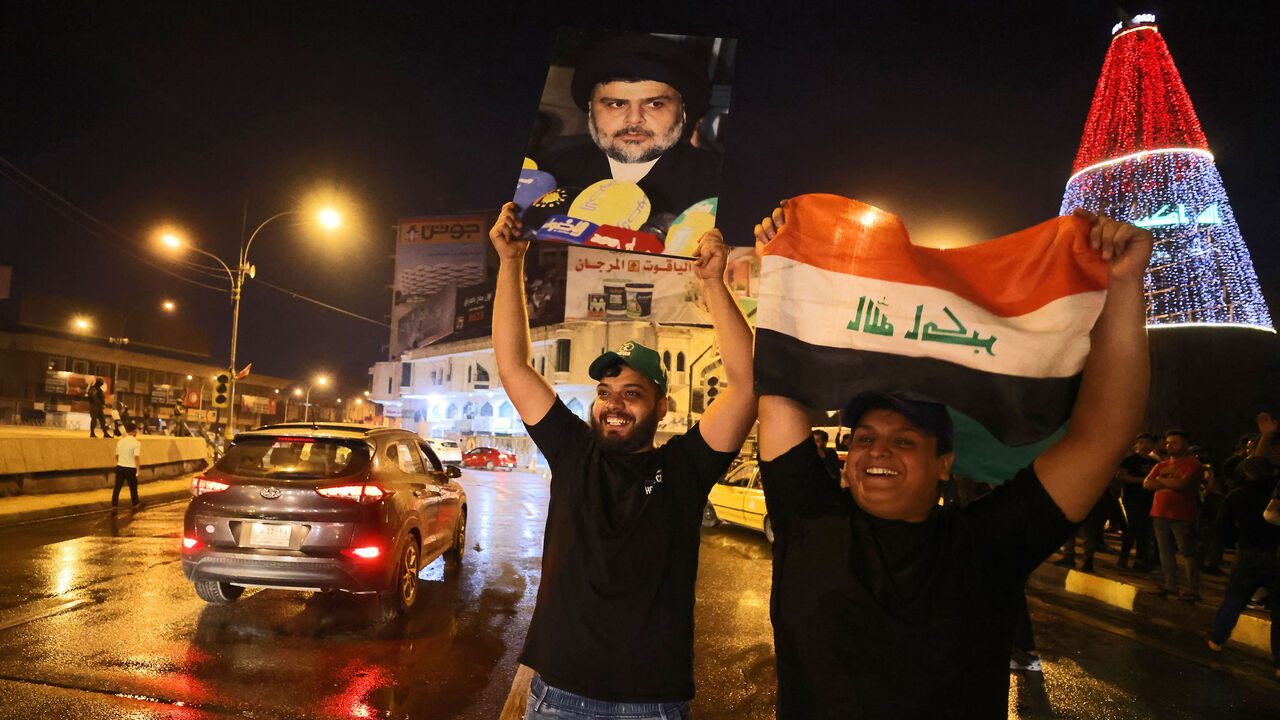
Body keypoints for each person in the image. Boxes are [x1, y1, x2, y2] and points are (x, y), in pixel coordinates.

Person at [754, 206, 1151, 718]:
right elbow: (781, 381)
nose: (877, 450)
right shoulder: (808, 518)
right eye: (865, 437)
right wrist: (789, 275)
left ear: (945, 463)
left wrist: (1123, 284)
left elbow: (1102, 435)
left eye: (904, 442)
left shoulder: (989, 544)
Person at [489, 202, 756, 719]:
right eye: (605, 391)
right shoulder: (573, 452)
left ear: (662, 405)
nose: (613, 403)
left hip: (653, 705)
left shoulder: (684, 469)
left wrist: (715, 285)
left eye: (632, 393)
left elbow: (746, 385)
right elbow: (514, 364)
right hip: (558, 696)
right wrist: (510, 262)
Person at [533, 34, 721, 220]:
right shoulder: (548, 173)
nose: (634, 119)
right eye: (616, 104)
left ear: (682, 112)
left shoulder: (720, 182)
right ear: (591, 111)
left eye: (654, 104)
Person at [1206, 457, 1279, 679]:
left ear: (1245, 472)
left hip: (1248, 554)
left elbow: (1222, 528)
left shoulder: (1237, 495)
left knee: (1234, 599)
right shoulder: (1275, 493)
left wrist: (1216, 555)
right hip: (1277, 555)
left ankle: (1217, 640)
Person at [1145, 429, 1206, 601]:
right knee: (1165, 551)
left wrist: (1160, 482)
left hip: (1182, 513)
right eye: (1168, 442)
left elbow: (1182, 484)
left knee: (1187, 552)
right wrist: (1170, 483)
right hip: (1159, 512)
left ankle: (1193, 591)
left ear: (1185, 444)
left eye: (1174, 442)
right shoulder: (1161, 465)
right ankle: (1170, 586)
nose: (1169, 445)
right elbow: (1147, 484)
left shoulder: (1193, 465)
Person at [1117, 433, 1159, 571]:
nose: (1144, 445)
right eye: (1141, 442)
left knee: (1145, 530)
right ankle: (1123, 557)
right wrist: (1142, 481)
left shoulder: (1155, 463)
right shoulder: (1130, 460)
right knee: (1133, 526)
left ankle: (1140, 560)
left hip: (1149, 499)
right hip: (1132, 498)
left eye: (1147, 442)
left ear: (1152, 445)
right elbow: (1122, 476)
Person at [113, 422, 142, 508]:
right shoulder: (136, 443)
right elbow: (136, 457)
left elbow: (116, 455)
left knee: (117, 488)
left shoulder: (120, 441)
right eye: (136, 431)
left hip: (120, 467)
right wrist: (138, 470)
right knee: (133, 488)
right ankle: (135, 504)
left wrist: (120, 462)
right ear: (134, 431)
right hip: (130, 468)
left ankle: (114, 505)